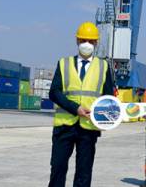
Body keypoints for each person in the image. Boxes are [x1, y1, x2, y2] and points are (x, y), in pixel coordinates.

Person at [48, 21, 116, 187]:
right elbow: (54, 92)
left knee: (84, 173)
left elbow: (108, 97)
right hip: (65, 126)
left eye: (91, 41)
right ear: (77, 41)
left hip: (89, 127)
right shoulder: (63, 63)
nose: (87, 44)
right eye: (83, 40)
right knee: (57, 168)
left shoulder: (103, 66)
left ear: (96, 43)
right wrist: (75, 108)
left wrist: (106, 118)